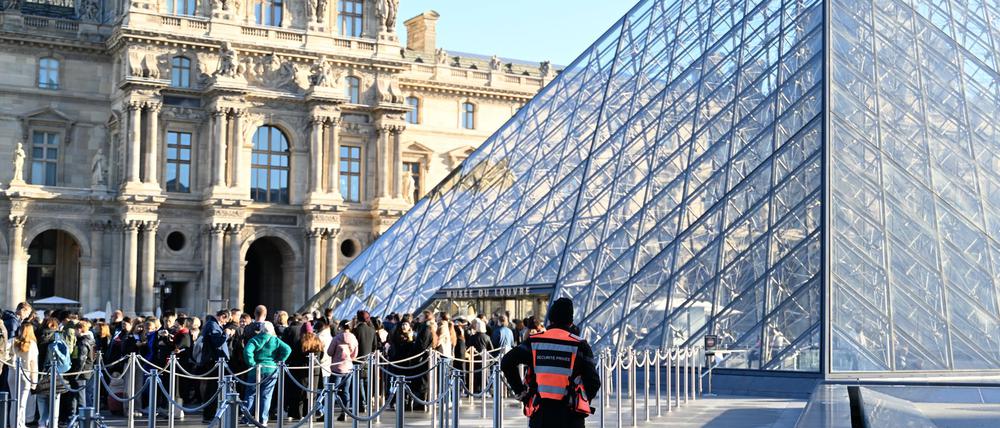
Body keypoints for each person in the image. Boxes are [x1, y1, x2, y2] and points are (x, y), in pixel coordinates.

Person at [501, 298, 600, 428]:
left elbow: (506, 362)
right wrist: (581, 399)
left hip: (540, 414)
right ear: (570, 321)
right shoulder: (580, 345)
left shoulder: (534, 342)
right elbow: (593, 382)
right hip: (570, 415)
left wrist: (521, 393)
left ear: (551, 319)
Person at [243, 322, 291, 425]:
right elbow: (287, 349)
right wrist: (279, 360)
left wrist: (252, 363)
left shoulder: (254, 339)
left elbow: (247, 351)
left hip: (255, 370)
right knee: (266, 396)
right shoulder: (275, 340)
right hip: (271, 369)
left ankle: (247, 418)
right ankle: (263, 419)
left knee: (250, 394)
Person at [200, 310, 232, 423]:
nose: (224, 324)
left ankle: (211, 413)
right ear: (222, 316)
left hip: (215, 361)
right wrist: (226, 333)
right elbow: (217, 341)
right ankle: (209, 415)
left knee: (214, 388)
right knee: (212, 389)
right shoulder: (212, 324)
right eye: (225, 321)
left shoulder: (212, 324)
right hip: (213, 361)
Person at [7, 324, 38, 428]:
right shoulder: (32, 344)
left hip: (12, 373)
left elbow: (3, 354)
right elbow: (34, 364)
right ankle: (20, 424)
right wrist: (34, 381)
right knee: (22, 402)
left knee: (13, 401)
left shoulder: (12, 341)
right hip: (26, 374)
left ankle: (14, 424)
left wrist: (11, 361)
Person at [327, 320, 358, 421]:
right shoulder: (353, 338)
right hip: (349, 367)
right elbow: (355, 355)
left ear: (340, 327)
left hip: (337, 368)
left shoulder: (336, 338)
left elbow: (329, 352)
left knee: (332, 391)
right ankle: (344, 412)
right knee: (345, 391)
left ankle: (328, 412)